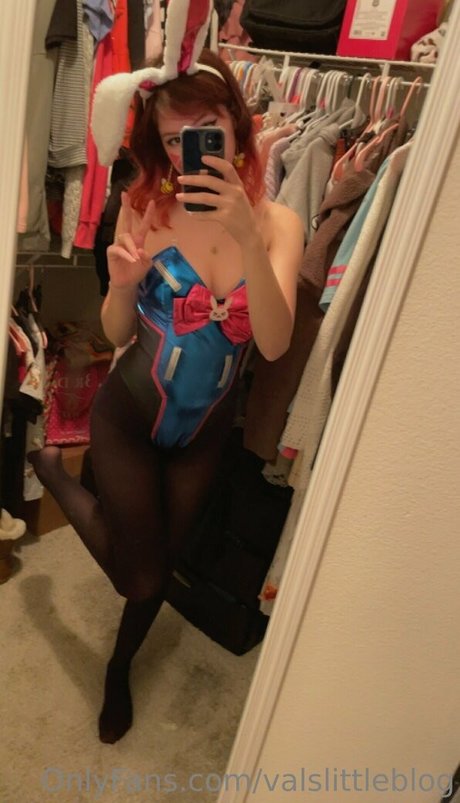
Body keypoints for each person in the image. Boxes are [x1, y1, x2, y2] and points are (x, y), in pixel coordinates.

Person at [29, 30, 303, 743]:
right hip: (128, 416)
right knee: (141, 577)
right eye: (174, 138)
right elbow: (116, 329)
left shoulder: (280, 224)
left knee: (160, 559)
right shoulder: (144, 207)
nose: (190, 151)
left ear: (236, 124)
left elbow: (274, 343)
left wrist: (247, 237)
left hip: (203, 432)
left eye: (205, 129)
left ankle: (119, 664)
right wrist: (122, 285)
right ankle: (54, 471)